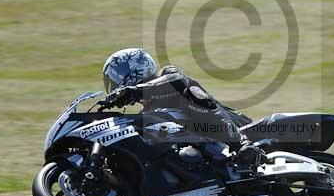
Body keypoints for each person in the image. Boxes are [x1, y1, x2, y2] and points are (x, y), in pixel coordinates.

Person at [101, 48, 264, 169]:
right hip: (206, 153)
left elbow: (176, 80)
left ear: (134, 70)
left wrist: (135, 90)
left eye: (115, 78)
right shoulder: (146, 114)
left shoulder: (168, 75)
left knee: (191, 93)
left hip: (239, 127)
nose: (114, 86)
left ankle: (241, 144)